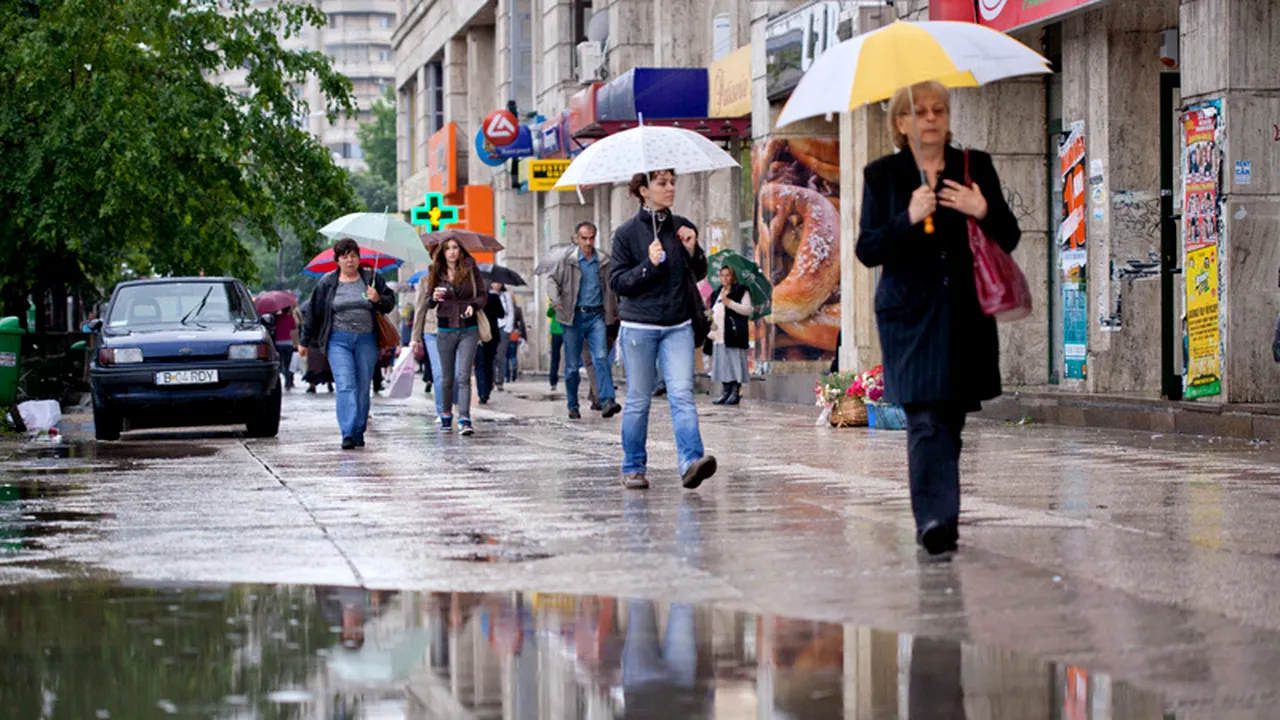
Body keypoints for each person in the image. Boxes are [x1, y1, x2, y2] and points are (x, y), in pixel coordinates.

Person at [854, 81, 1021, 555]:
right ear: (901, 123)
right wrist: (907, 217)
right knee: (925, 418)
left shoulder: (975, 167)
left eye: (939, 110)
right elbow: (868, 250)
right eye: (920, 111)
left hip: (965, 315)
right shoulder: (883, 176)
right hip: (907, 317)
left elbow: (1008, 236)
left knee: (949, 420)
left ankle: (941, 513)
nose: (931, 118)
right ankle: (933, 520)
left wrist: (981, 207)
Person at [609, 169, 718, 490]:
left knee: (683, 395)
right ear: (643, 190)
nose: (670, 188)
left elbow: (699, 273)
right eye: (661, 183)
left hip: (678, 325)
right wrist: (648, 264)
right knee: (639, 399)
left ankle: (691, 463)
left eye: (672, 182)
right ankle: (633, 466)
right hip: (639, 327)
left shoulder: (681, 226)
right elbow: (619, 283)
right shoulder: (626, 234)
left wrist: (692, 248)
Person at [300, 237, 395, 449]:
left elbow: (389, 303)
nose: (350, 261)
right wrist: (304, 342)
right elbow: (312, 314)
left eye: (353, 256)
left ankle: (359, 429)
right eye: (345, 257)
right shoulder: (327, 283)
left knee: (362, 386)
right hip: (338, 340)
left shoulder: (371, 278)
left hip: (366, 340)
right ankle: (347, 432)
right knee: (345, 384)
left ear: (359, 258)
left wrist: (378, 298)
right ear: (337, 260)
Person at [549, 220, 621, 420]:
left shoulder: (604, 260)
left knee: (600, 358)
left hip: (597, 315)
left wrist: (616, 309)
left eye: (591, 238)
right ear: (576, 239)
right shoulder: (567, 260)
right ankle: (573, 404)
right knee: (572, 367)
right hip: (573, 318)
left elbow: (613, 286)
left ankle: (607, 401)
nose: (588, 242)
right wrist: (555, 299)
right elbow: (551, 280)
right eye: (584, 238)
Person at [418, 238, 486, 435]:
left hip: (468, 329)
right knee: (447, 378)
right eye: (447, 248)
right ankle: (446, 417)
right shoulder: (435, 272)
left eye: (455, 247)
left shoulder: (471, 269)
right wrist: (434, 297)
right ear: (442, 252)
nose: (452, 252)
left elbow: (483, 295)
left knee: (463, 376)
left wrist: (473, 306)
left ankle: (465, 419)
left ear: (461, 250)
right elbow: (429, 303)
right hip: (445, 329)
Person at [709, 266, 752, 405]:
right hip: (719, 334)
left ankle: (735, 391)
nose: (725, 278)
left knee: (733, 362)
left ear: (733, 276)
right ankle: (725, 391)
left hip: (734, 333)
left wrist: (730, 303)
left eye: (728, 275)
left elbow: (747, 310)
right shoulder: (716, 293)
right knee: (722, 363)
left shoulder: (741, 291)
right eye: (722, 275)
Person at [474, 282, 506, 404]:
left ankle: (483, 392)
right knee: (489, 362)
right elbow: (501, 314)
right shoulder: (494, 298)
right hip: (493, 334)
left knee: (479, 364)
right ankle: (487, 388)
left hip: (478, 335)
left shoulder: (474, 301)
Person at [272, 304, 299, 391]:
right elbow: (293, 328)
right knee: (287, 364)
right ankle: (288, 383)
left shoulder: (276, 318)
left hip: (278, 343)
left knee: (279, 364)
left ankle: (277, 382)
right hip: (288, 343)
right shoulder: (290, 317)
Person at [494, 284, 515, 391]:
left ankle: (500, 381)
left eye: (499, 282)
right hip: (492, 328)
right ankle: (491, 379)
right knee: (491, 356)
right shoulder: (488, 294)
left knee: (500, 356)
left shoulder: (506, 296)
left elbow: (511, 312)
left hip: (503, 327)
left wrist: (508, 328)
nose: (496, 284)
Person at [507, 302, 525, 382]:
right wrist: (524, 336)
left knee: (505, 357)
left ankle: (506, 376)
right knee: (513, 355)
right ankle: (514, 373)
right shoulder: (517, 309)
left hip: (505, 333)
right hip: (514, 333)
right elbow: (521, 323)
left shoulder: (505, 307)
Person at [547, 302, 563, 390]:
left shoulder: (554, 302)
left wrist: (552, 307)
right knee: (556, 358)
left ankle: (553, 382)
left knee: (555, 358)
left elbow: (548, 314)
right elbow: (549, 314)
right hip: (562, 331)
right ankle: (553, 381)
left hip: (557, 332)